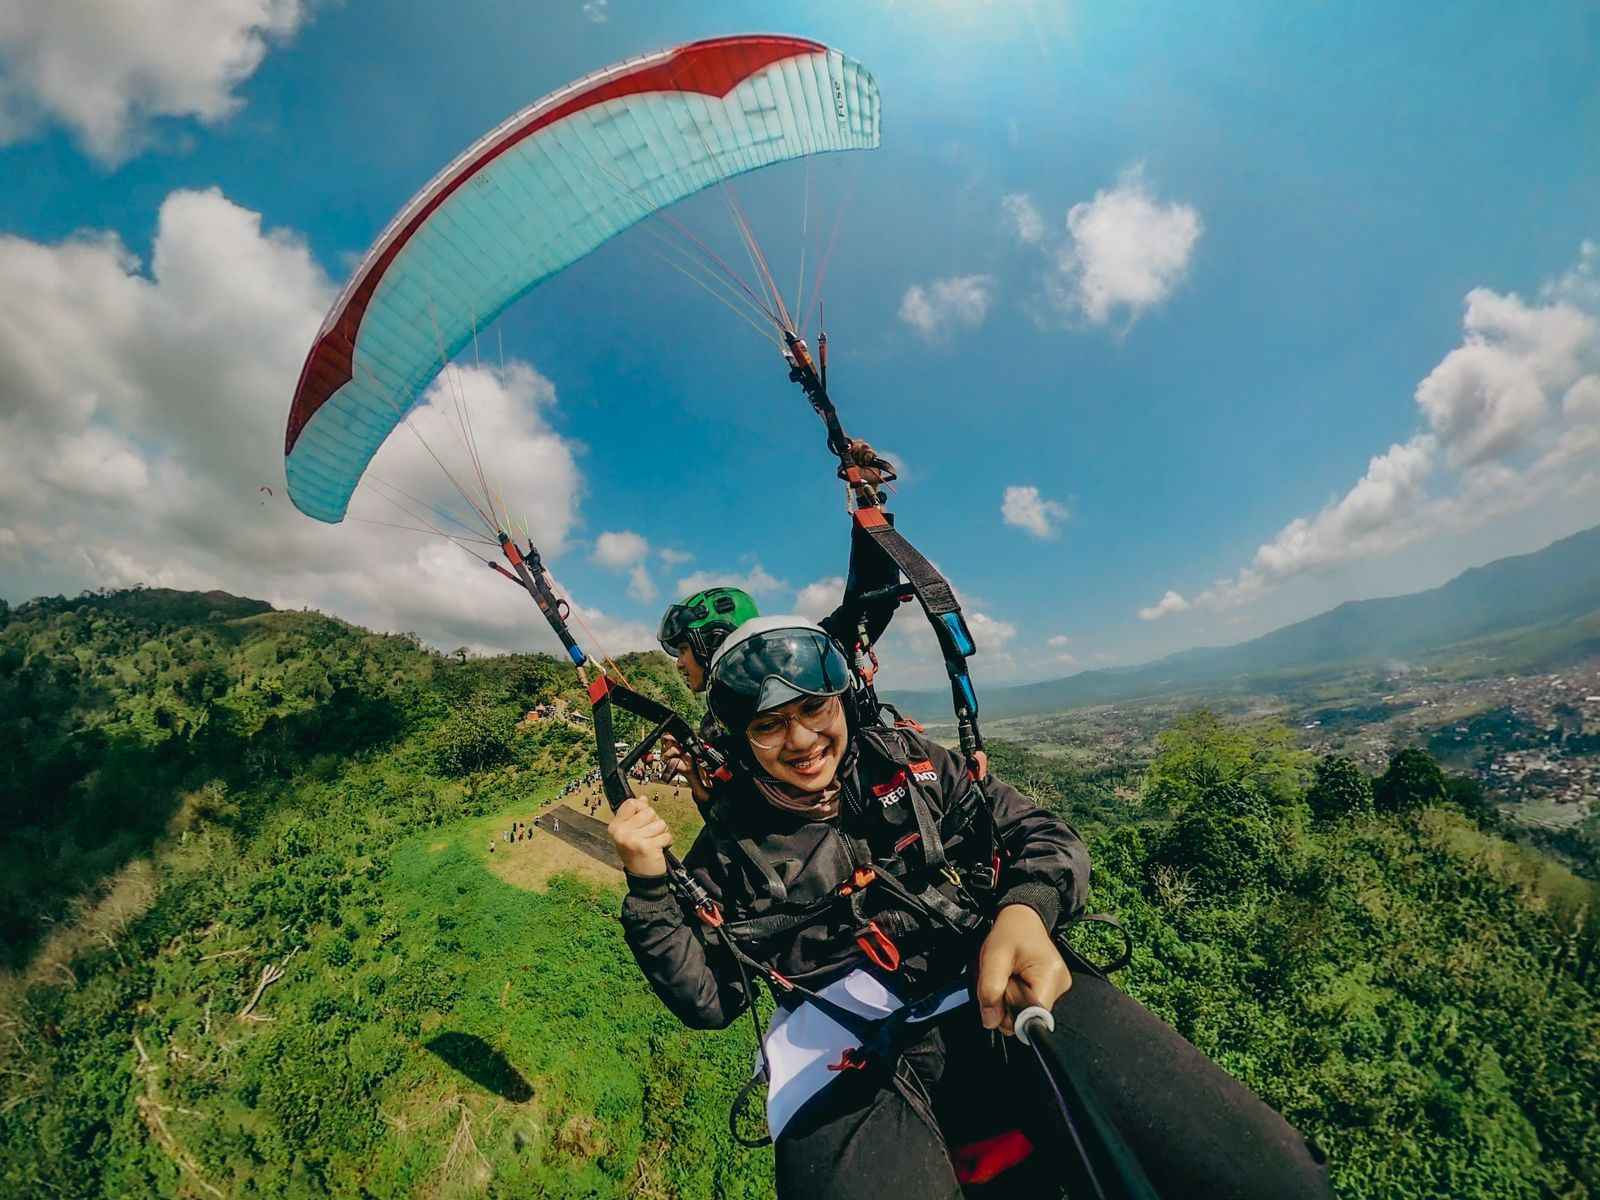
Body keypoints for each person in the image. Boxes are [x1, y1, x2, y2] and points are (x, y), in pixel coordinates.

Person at [610, 618, 1332, 1200]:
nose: (800, 740)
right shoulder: (727, 848)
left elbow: (1039, 834)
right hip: (840, 1045)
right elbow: (710, 999)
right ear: (741, 737)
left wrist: (1025, 911)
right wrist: (649, 892)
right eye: (769, 726)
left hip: (982, 974)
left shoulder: (912, 769)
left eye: (813, 709)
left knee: (1272, 1176)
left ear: (841, 703)